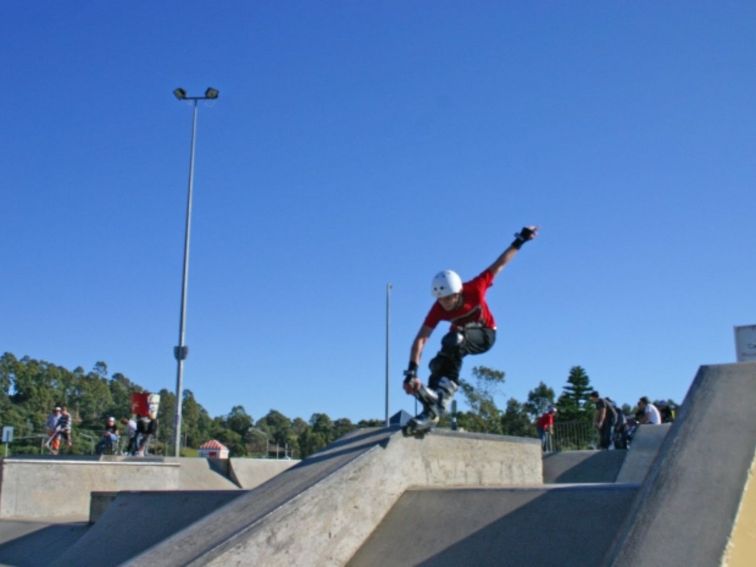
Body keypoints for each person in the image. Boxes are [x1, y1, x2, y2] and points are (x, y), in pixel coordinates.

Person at [402, 226, 539, 432]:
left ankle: (444, 397)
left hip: (486, 334)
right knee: (437, 363)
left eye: (449, 299)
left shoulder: (475, 288)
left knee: (455, 338)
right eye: (441, 300)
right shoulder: (438, 307)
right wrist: (411, 372)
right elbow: (421, 338)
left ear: (458, 292)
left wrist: (520, 240)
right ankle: (430, 411)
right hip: (462, 338)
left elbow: (499, 265)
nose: (446, 304)